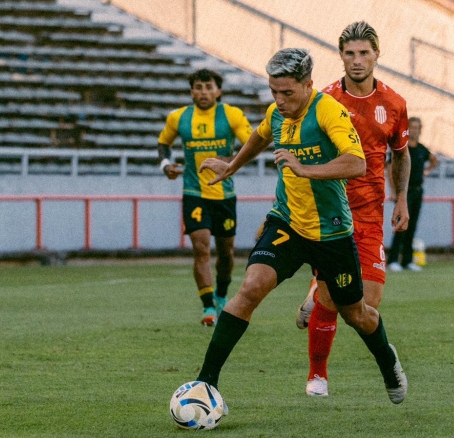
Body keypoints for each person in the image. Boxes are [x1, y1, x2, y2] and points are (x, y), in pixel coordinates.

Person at [193, 48, 407, 405]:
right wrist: (231, 166)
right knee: (251, 289)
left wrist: (306, 169)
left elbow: (357, 163)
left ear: (308, 85)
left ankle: (387, 360)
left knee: (356, 314)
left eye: (287, 92)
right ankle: (205, 384)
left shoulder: (328, 111)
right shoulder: (277, 112)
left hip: (332, 232)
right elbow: (260, 135)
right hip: (287, 223)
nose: (279, 100)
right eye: (274, 92)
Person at [294, 22, 411, 398]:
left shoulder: (394, 104)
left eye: (364, 53)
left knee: (365, 308)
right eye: (350, 53)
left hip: (371, 213)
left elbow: (400, 155)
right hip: (331, 211)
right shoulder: (323, 101)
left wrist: (402, 198)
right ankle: (317, 376)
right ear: (340, 56)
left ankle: (317, 288)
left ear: (377, 54)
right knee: (333, 300)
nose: (357, 60)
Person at [158, 68, 252, 326]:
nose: (203, 92)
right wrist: (166, 165)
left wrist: (230, 161)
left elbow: (252, 144)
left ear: (218, 91)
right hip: (194, 193)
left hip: (224, 194)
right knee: (201, 249)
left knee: (226, 252)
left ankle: (221, 295)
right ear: (191, 91)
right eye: (198, 87)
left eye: (209, 87)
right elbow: (163, 143)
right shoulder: (179, 117)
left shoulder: (231, 115)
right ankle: (208, 307)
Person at [388, 116, 439, 272]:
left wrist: (427, 171)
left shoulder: (422, 149)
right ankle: (393, 259)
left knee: (412, 226)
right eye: (412, 127)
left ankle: (407, 260)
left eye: (418, 128)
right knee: (401, 225)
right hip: (404, 192)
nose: (415, 131)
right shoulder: (401, 148)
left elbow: (434, 160)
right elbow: (390, 168)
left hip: (417, 190)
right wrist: (394, 191)